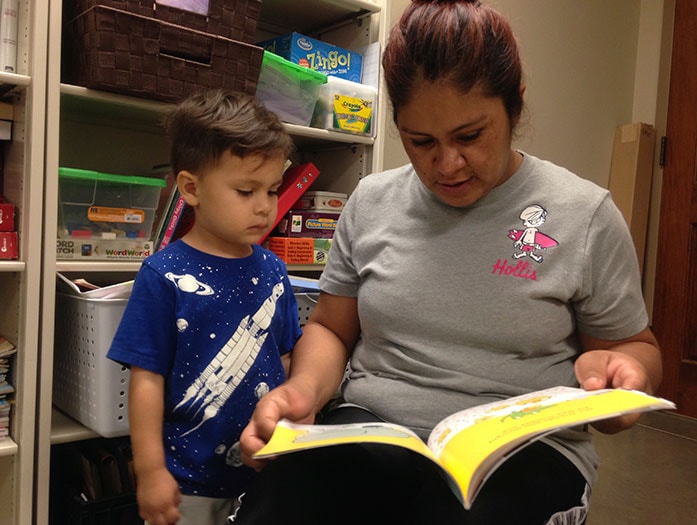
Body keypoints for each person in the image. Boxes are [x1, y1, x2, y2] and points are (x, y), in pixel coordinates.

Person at [231, 1, 663, 524]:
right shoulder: (370, 201)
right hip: (373, 428)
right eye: (421, 142)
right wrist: (301, 391)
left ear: (515, 107)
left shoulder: (584, 214)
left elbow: (633, 347)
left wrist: (624, 376)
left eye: (470, 136)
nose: (447, 165)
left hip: (524, 450)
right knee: (282, 500)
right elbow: (331, 329)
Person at [107, 89, 300, 525]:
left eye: (272, 190)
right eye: (246, 190)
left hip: (264, 472)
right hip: (185, 482)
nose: (264, 206)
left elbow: (285, 358)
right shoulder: (163, 274)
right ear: (191, 188)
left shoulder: (274, 269)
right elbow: (146, 380)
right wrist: (151, 471)